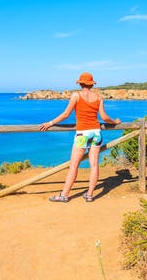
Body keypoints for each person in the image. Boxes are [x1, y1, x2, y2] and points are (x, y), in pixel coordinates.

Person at [39, 72, 121, 202]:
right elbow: (104, 117)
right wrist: (115, 122)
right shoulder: (99, 97)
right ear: (91, 84)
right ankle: (89, 195)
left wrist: (49, 123)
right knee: (94, 165)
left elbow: (66, 115)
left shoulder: (76, 95)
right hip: (96, 132)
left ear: (81, 83)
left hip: (83, 133)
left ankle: (64, 195)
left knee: (74, 165)